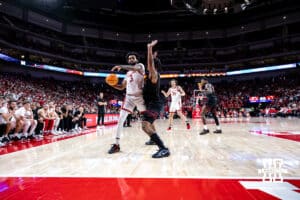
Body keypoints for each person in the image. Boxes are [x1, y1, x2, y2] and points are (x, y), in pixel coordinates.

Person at [107, 52, 146, 154]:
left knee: (147, 120)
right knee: (120, 120)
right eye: (129, 58)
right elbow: (121, 87)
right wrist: (112, 84)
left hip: (139, 96)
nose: (131, 59)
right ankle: (116, 144)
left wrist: (120, 66)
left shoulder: (140, 66)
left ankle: (153, 137)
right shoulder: (127, 74)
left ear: (136, 59)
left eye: (133, 58)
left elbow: (133, 68)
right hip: (128, 97)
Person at [142, 40, 170, 158]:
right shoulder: (151, 75)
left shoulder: (154, 74)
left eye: (151, 64)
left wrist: (149, 48)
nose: (148, 65)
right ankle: (154, 140)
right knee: (150, 124)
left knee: (145, 126)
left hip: (155, 104)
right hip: (151, 104)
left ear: (154, 66)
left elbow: (150, 64)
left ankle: (163, 148)